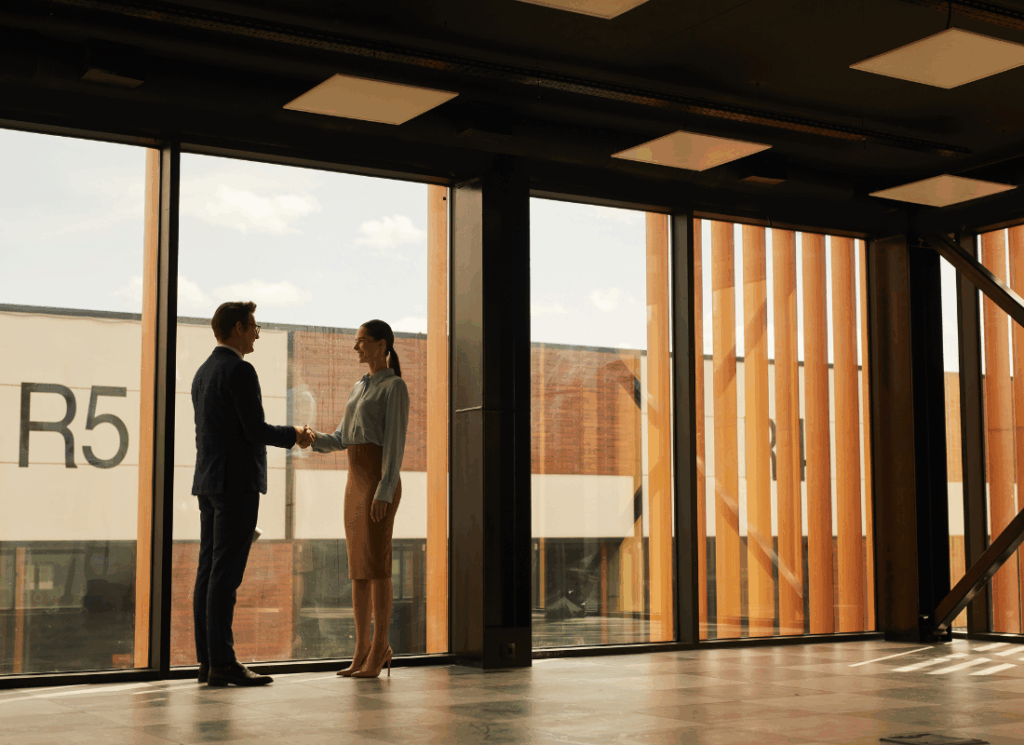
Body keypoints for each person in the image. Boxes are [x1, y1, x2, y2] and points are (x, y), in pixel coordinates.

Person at [191, 300, 314, 687]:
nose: (258, 332)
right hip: (236, 484)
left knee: (208, 573)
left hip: (208, 482)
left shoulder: (203, 371)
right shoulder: (240, 370)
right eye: (254, 326)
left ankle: (208, 662)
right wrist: (295, 434)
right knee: (224, 577)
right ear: (240, 327)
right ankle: (223, 664)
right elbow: (255, 430)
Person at [307, 320, 409, 679]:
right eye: (356, 342)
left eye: (362, 342)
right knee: (358, 571)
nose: (357, 348)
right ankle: (362, 649)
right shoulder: (357, 388)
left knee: (378, 567)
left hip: (378, 483)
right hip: (355, 483)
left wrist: (384, 489)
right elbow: (341, 438)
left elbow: (395, 445)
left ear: (383, 345)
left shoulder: (394, 387)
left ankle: (381, 646)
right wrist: (311, 438)